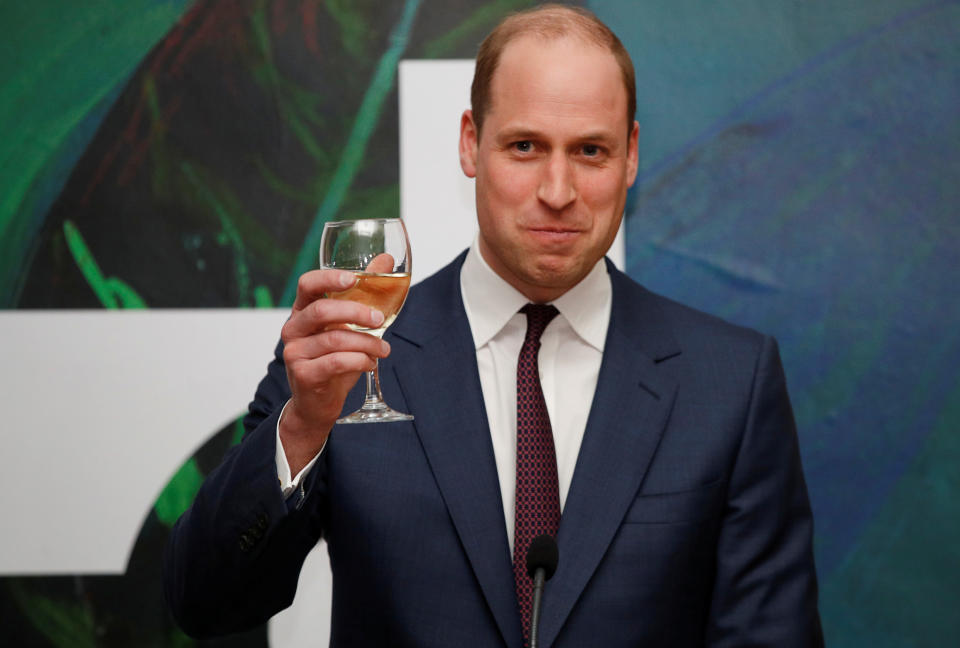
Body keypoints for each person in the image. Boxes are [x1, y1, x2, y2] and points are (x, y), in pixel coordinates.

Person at [164, 5, 823, 646]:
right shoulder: (349, 354)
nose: (557, 190)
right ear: (470, 143)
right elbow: (204, 601)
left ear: (631, 156)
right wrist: (303, 428)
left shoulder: (730, 382)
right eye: (526, 146)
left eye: (591, 150)